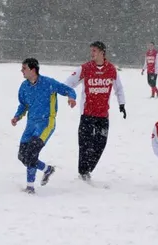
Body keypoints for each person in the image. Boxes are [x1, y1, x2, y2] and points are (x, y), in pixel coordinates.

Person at [12, 58, 77, 194]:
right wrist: (17, 116)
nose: (21, 71)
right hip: (30, 124)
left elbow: (67, 89)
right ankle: (47, 169)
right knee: (22, 156)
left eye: (24, 68)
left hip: (45, 124)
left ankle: (30, 187)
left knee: (31, 152)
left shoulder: (48, 83)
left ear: (33, 69)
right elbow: (23, 104)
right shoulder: (24, 87)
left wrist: (71, 97)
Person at [64, 41, 126, 181]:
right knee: (84, 145)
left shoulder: (111, 69)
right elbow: (68, 84)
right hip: (87, 114)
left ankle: (88, 168)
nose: (91, 53)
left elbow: (119, 88)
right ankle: (83, 172)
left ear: (102, 52)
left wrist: (122, 104)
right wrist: (71, 96)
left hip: (103, 116)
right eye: (91, 51)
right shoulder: (85, 68)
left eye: (94, 51)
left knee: (100, 145)